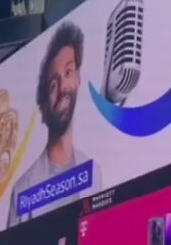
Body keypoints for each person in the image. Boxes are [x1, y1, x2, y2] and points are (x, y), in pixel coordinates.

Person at [8, 22, 102, 226]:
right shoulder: (22, 190)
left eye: (68, 73)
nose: (62, 89)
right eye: (53, 85)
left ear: (78, 78)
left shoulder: (94, 172)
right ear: (43, 106)